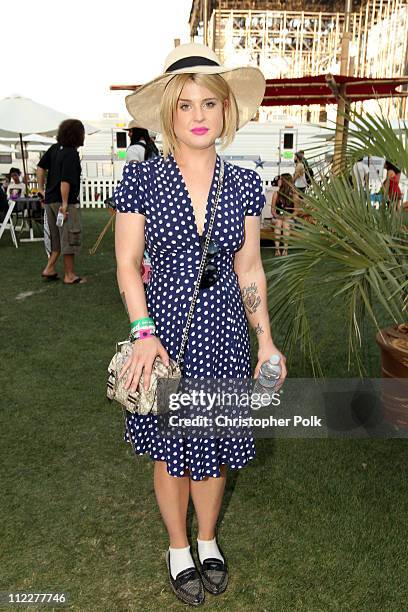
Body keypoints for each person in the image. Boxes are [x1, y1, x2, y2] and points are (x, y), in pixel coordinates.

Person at [113, 42, 287, 606]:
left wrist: (265, 340)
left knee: (217, 448)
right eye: (185, 105)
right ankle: (177, 547)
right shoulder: (140, 180)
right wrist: (143, 333)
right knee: (172, 452)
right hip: (163, 336)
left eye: (208, 104)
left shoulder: (243, 184)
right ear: (169, 115)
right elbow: (126, 265)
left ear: (226, 112)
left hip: (226, 336)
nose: (197, 116)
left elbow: (250, 267)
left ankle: (207, 541)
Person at [36, 119, 87, 283]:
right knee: (69, 237)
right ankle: (69, 275)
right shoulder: (71, 153)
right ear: (76, 134)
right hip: (63, 203)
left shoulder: (55, 149)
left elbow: (40, 167)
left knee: (56, 239)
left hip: (50, 200)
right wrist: (65, 205)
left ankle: (49, 268)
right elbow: (66, 180)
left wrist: (40, 189)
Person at [271, 173, 299, 256]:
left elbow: (296, 212)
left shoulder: (294, 195)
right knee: (279, 222)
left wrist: (287, 217)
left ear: (285, 181)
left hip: (290, 219)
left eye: (280, 179)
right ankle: (277, 249)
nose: (278, 180)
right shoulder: (276, 194)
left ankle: (285, 250)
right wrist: (278, 216)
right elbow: (272, 210)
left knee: (286, 223)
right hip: (277, 218)